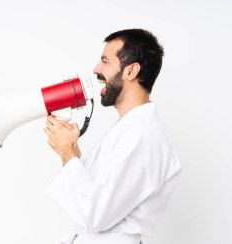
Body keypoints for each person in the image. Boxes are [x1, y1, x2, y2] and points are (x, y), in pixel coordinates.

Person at [44, 29, 182, 244]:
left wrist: (67, 153)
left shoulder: (142, 136)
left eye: (105, 61)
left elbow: (96, 215)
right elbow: (87, 197)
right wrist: (71, 153)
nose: (96, 69)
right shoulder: (129, 129)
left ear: (131, 71)